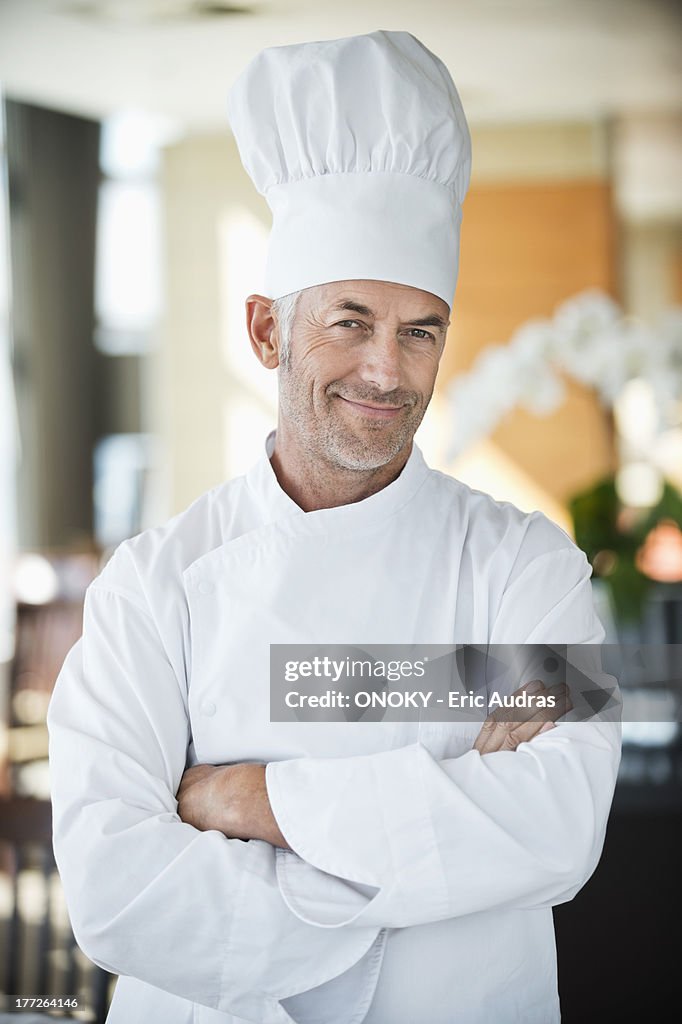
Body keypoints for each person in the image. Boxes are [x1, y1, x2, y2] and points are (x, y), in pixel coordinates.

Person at [47, 29, 621, 1024]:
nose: (387, 371)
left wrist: (249, 803)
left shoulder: (531, 569)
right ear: (266, 329)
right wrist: (423, 862)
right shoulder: (153, 586)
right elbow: (115, 892)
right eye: (349, 320)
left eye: (419, 329)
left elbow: (560, 828)